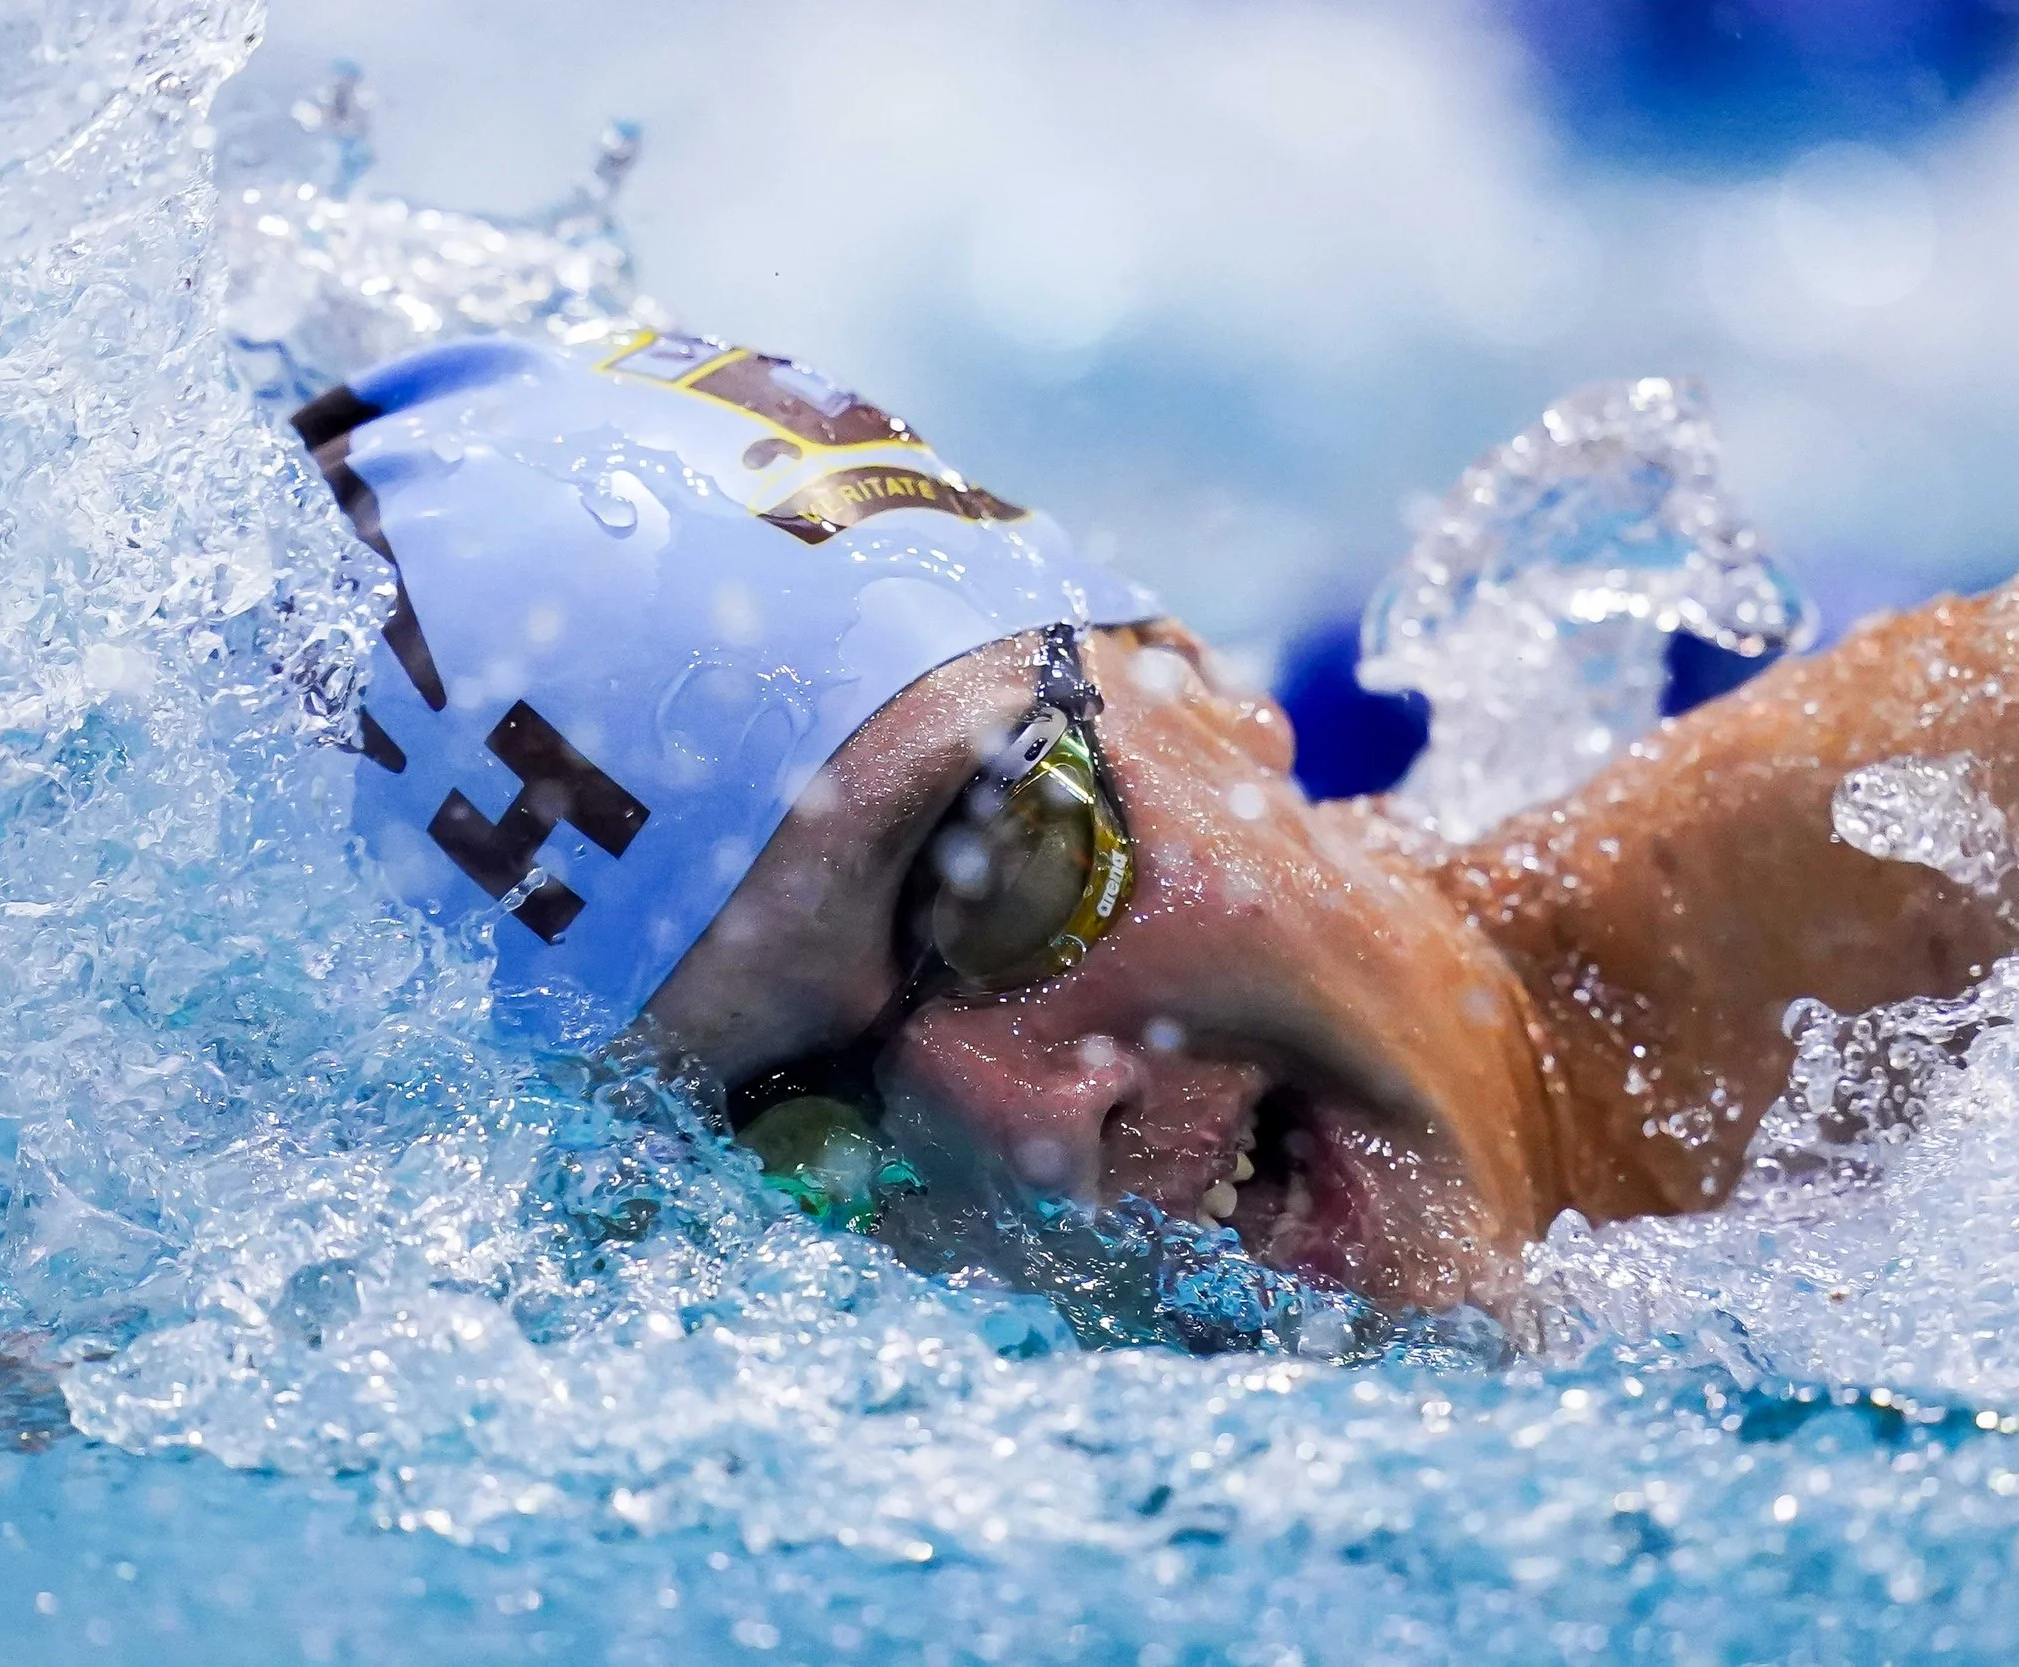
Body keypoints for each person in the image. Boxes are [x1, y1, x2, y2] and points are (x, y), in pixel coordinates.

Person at [287, 331, 2019, 1314]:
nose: (1029, 1125)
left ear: (1190, 682)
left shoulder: (1951, 848)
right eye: (795, 1135)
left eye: (1002, 872)